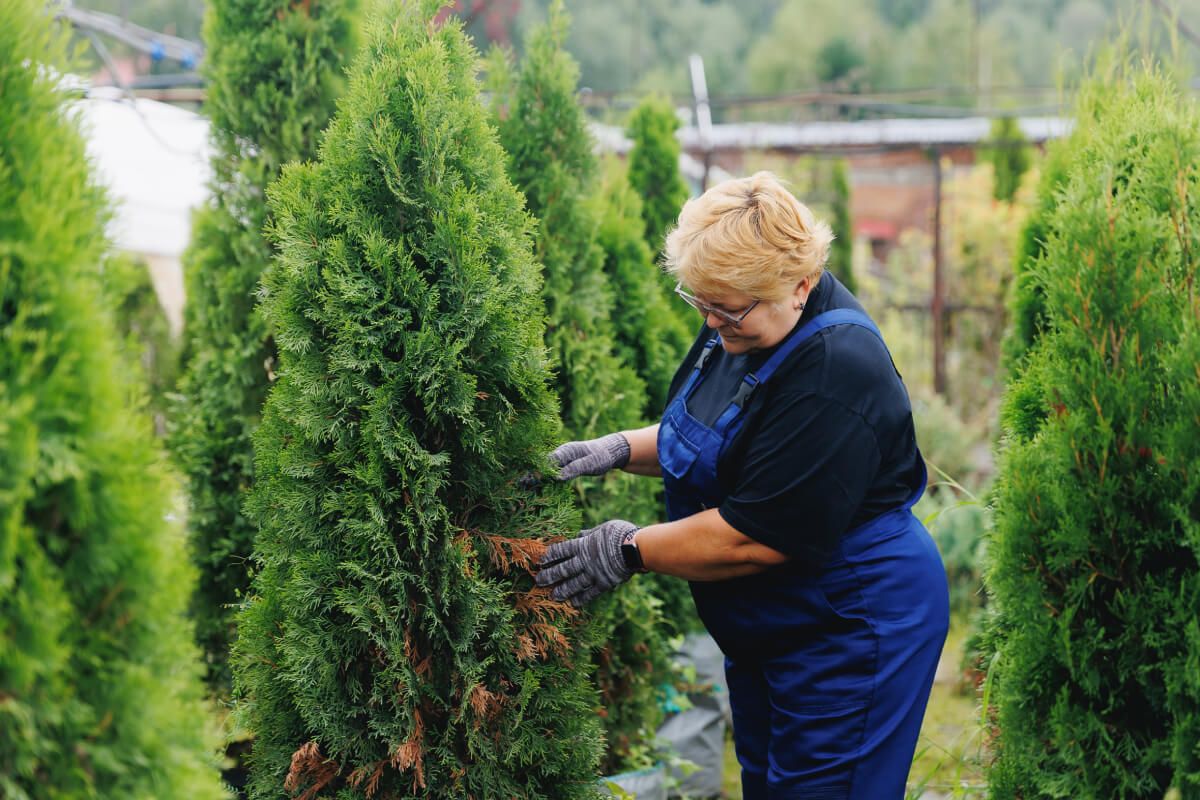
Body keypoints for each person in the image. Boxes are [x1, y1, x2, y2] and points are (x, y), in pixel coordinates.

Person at [535, 171, 950, 800]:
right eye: (700, 302)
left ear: (801, 284)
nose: (712, 321)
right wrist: (616, 449)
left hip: (848, 619)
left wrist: (627, 548)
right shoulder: (742, 318)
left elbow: (753, 537)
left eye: (728, 310)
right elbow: (718, 442)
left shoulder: (835, 370)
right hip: (771, 621)